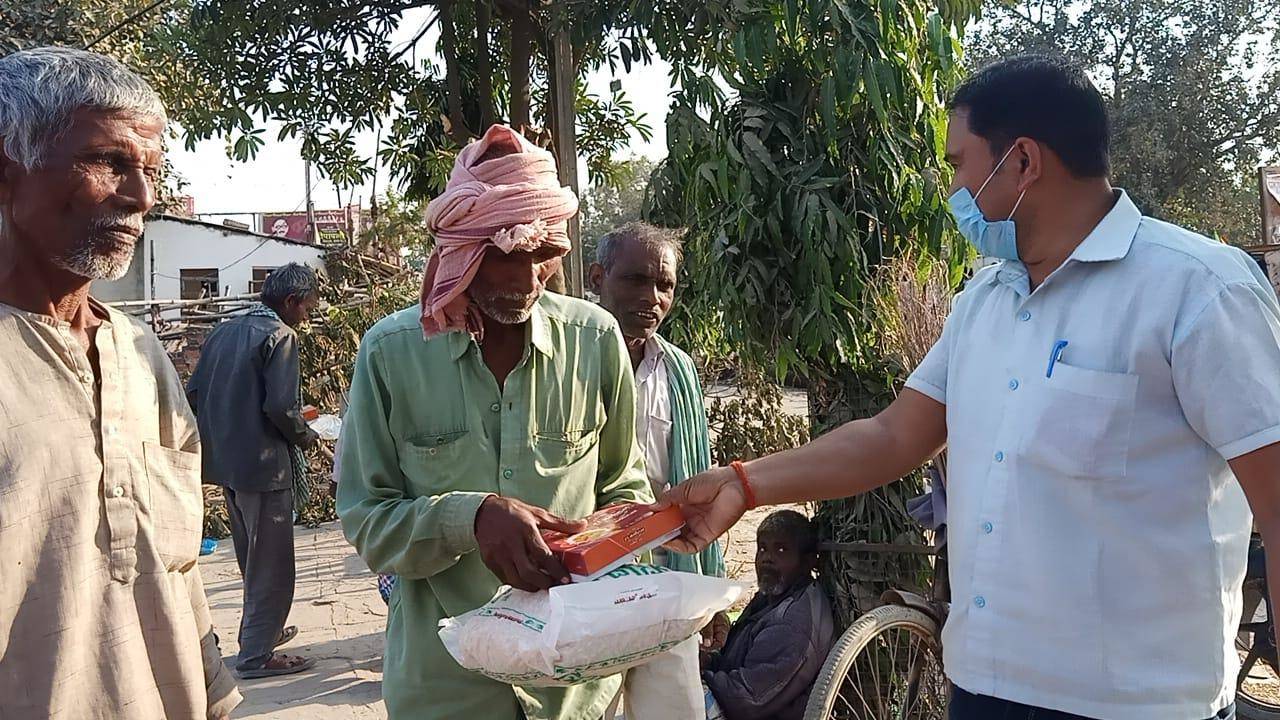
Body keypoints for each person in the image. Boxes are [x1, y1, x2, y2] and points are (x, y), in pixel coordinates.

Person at [660, 54, 1280, 720]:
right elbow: (893, 436)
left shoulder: (1198, 291)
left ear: (1022, 162)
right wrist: (743, 482)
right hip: (985, 689)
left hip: (1138, 703)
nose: (951, 189)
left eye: (958, 165)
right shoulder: (987, 296)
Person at [336, 124, 652, 720]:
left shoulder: (595, 339)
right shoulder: (391, 353)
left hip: (575, 685)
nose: (526, 278)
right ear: (461, 251)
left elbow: (625, 489)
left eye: (542, 255)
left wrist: (615, 563)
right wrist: (468, 517)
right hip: (445, 686)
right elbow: (366, 518)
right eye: (505, 255)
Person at [0, 47, 240, 719]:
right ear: (5, 172)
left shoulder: (138, 354)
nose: (141, 197)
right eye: (108, 163)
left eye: (150, 170)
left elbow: (178, 571)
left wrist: (215, 698)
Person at [589, 223, 728, 718]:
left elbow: (700, 478)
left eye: (664, 285)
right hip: (592, 579)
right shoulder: (570, 364)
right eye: (634, 279)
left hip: (667, 576)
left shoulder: (678, 369)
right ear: (596, 277)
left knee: (673, 706)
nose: (652, 298)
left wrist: (712, 590)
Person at [186, 262, 321, 679]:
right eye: (306, 308)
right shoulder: (280, 336)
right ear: (290, 301)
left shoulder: (224, 331)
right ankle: (257, 655)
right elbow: (281, 407)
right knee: (272, 564)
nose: (307, 316)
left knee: (252, 557)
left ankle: (261, 633)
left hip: (225, 463)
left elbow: (193, 392)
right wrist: (306, 436)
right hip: (263, 467)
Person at [702, 510, 834, 720]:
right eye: (762, 548)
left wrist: (700, 675)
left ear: (809, 561)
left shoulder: (791, 624)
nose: (766, 559)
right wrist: (705, 660)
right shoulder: (770, 598)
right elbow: (733, 663)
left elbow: (746, 699)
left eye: (781, 550)